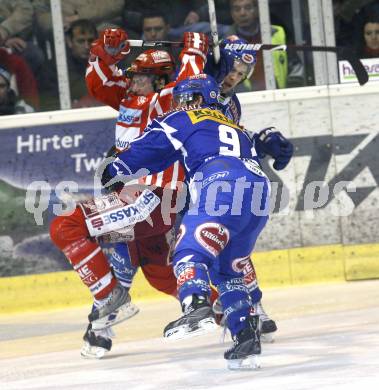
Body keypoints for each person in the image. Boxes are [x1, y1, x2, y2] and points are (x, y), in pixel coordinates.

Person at [103, 73, 291, 369]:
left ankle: (196, 306)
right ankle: (245, 337)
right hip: (258, 194)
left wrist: (116, 167)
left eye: (188, 98)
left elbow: (150, 148)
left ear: (202, 98)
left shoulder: (185, 118)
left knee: (188, 250)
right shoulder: (234, 127)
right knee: (228, 270)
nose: (182, 104)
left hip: (220, 183)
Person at [49, 28, 210, 358]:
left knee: (71, 227)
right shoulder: (129, 100)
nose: (131, 81)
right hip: (135, 202)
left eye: (139, 77)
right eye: (132, 75)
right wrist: (105, 50)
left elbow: (187, 84)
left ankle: (102, 321)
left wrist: (195, 51)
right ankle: (238, 310)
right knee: (159, 274)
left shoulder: (167, 102)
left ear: (159, 81)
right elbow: (99, 83)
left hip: (154, 199)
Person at [205, 36, 294, 339]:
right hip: (178, 181)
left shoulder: (230, 101)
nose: (234, 78)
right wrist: (198, 47)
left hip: (214, 182)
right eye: (231, 70)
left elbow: (228, 141)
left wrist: (261, 140)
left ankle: (248, 308)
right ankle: (232, 308)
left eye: (241, 75)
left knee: (229, 245)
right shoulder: (195, 92)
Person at [225, 0, 304, 91]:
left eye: (248, 8)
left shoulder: (277, 33)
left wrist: (291, 93)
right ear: (232, 13)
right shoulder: (226, 43)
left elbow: (295, 67)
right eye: (237, 9)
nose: (242, 13)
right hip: (246, 100)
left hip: (280, 96)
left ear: (257, 9)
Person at [38, 19, 100, 110]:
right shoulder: (54, 68)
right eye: (81, 41)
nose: (87, 46)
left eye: (90, 41)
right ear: (69, 42)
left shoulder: (104, 64)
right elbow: (47, 105)